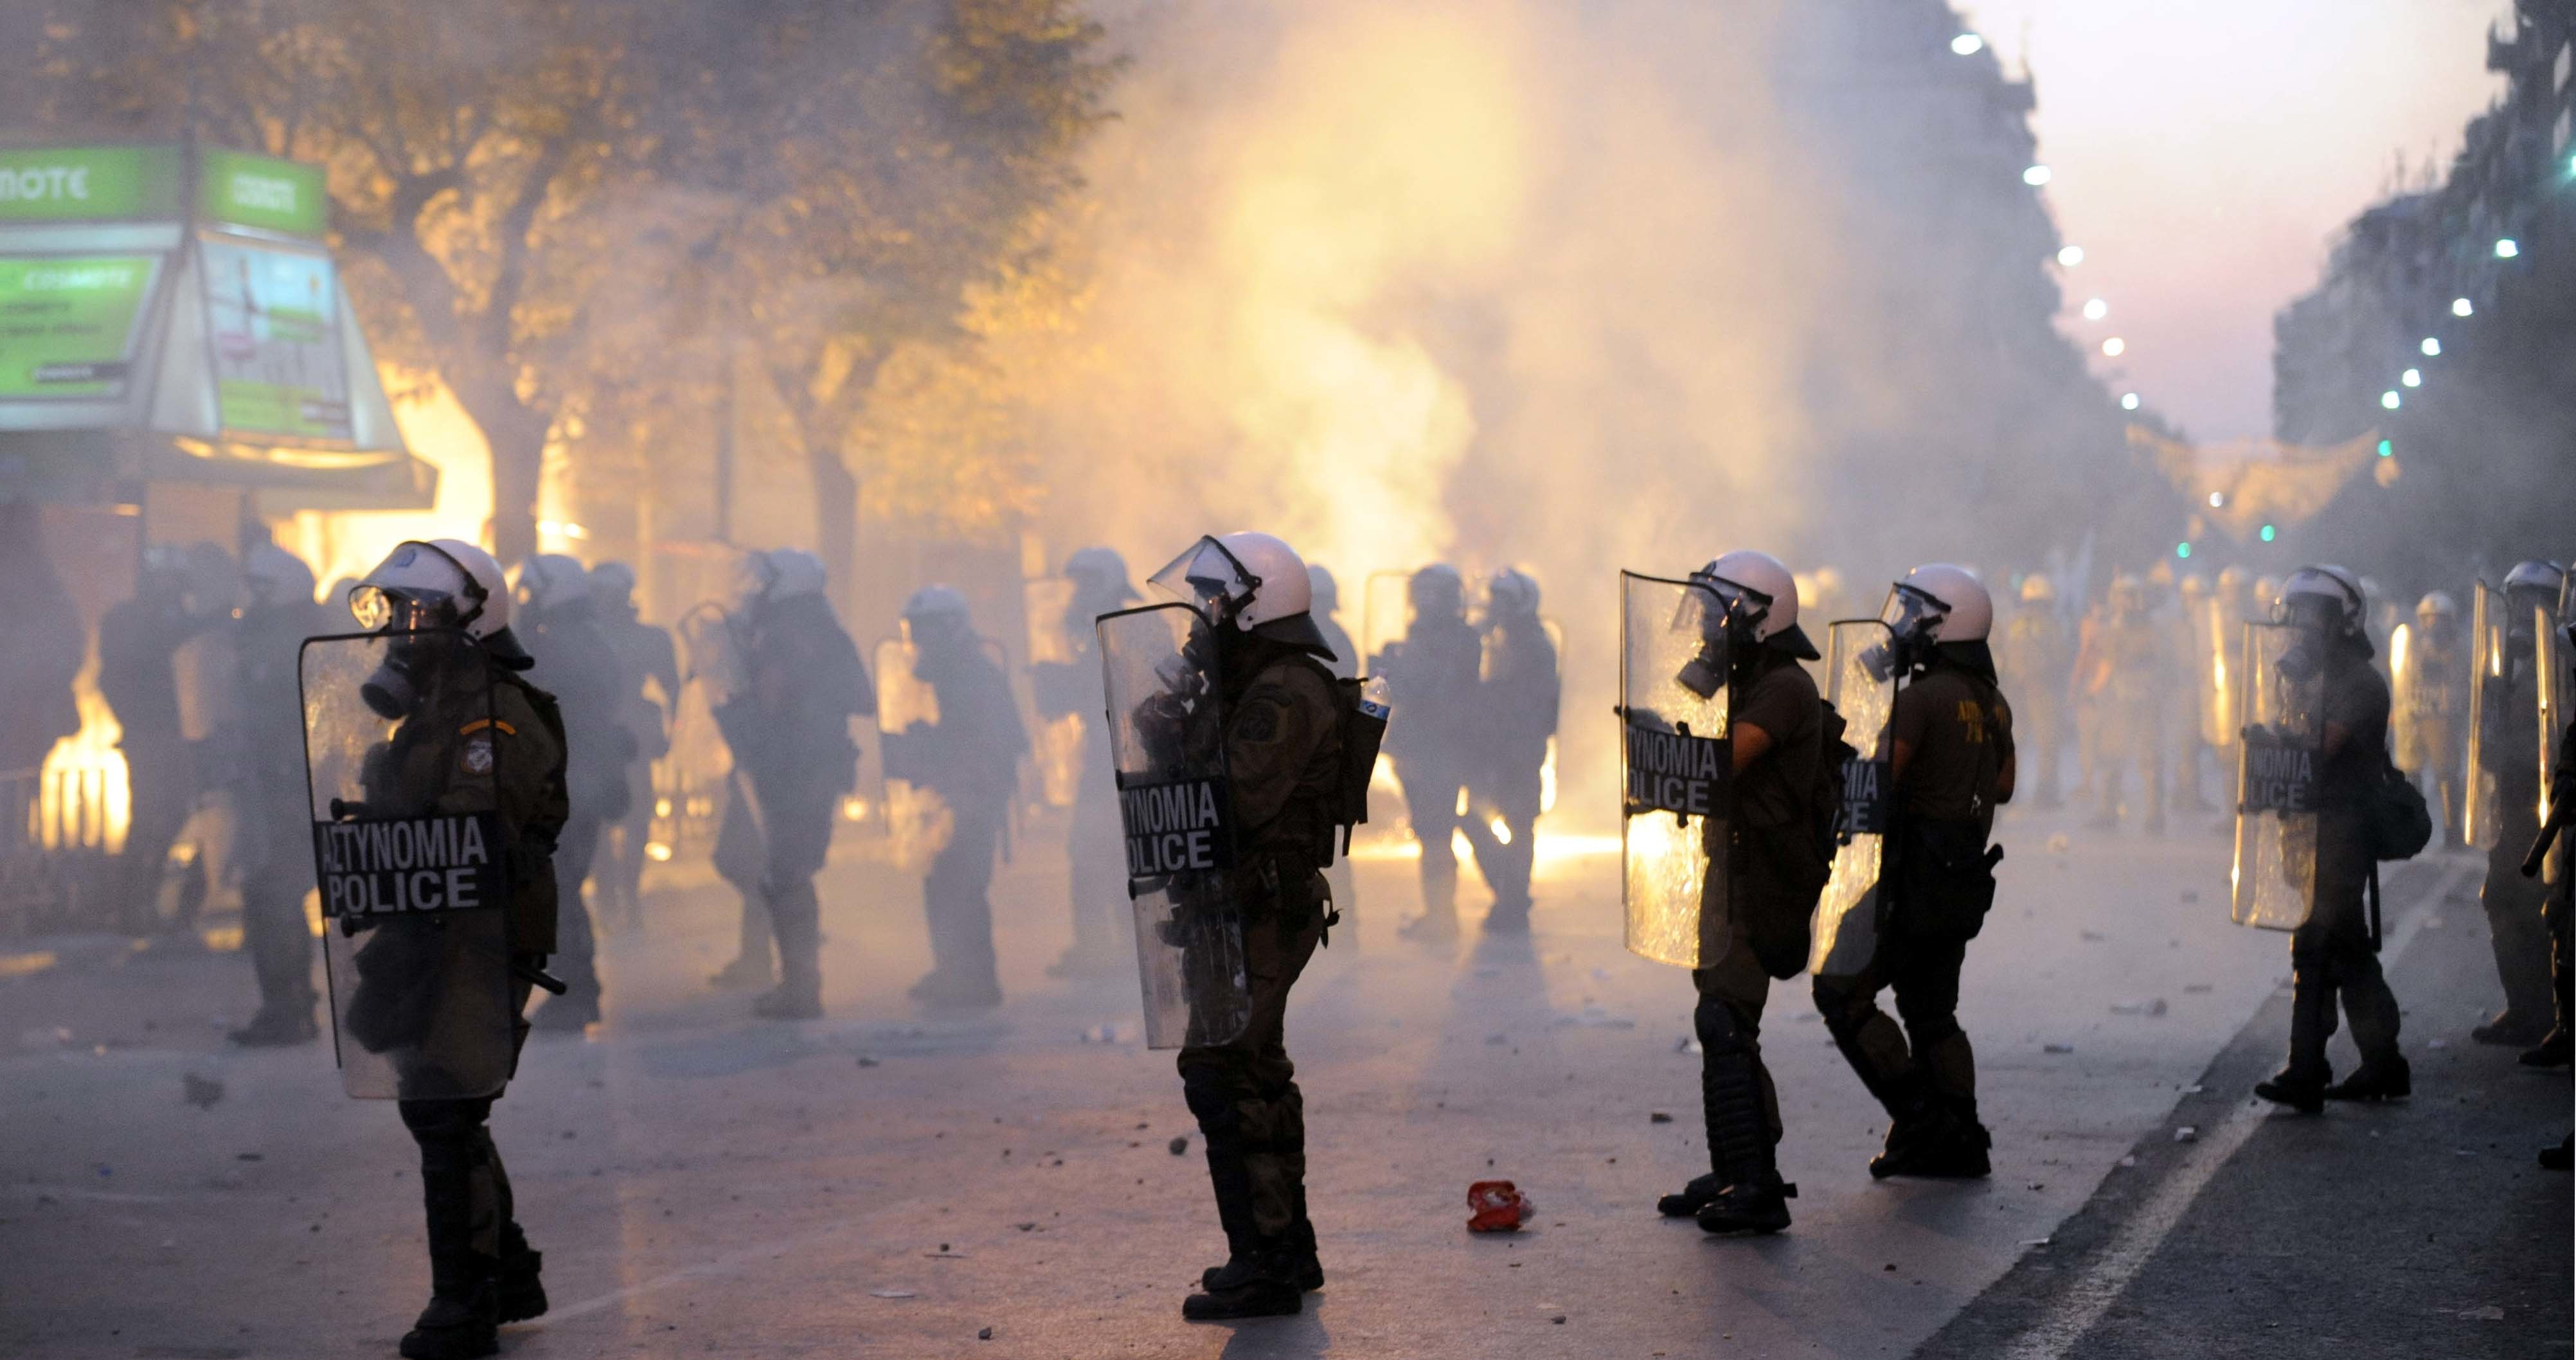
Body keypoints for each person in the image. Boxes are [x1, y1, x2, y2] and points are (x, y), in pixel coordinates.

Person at [335, 537, 568, 1360]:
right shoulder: (435, 709)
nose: (403, 630)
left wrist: (402, 834)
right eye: (395, 614)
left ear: (472, 619)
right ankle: (505, 1272)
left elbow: (475, 829)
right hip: (426, 928)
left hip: (479, 933)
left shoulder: (493, 713)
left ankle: (463, 1305)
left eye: (419, 613)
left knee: (445, 1104)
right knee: (443, 1100)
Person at [1132, 532, 1349, 1319]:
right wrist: (1171, 710)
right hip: (1233, 904)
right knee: (1252, 1069)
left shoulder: (1286, 691)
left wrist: (1194, 723)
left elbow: (1237, 799)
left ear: (1257, 605)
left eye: (1214, 600)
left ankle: (1264, 1264)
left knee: (1223, 1071)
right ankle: (1287, 1247)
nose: (1203, 615)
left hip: (1263, 903)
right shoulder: (1245, 682)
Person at [1649, 550, 1827, 1235]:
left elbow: (1728, 760)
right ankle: (1734, 1165)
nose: (1702, 625)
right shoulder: (1749, 679)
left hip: (1766, 881)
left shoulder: (1783, 686)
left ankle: (1756, 1185)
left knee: (1725, 1021)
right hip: (1735, 871)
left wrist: (1667, 744)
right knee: (1721, 1016)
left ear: (1754, 614)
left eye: (1712, 611)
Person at [1815, 564, 2013, 1177]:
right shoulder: (1990, 700)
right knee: (1932, 1010)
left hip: (1905, 877)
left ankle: (1924, 1125)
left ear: (1943, 628)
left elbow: (1879, 777)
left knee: (1841, 991)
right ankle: (1962, 1134)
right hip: (1959, 878)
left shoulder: (1923, 699)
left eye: (1913, 617)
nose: (1900, 627)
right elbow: (2003, 786)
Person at [2251, 566, 2408, 1111]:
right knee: (2347, 949)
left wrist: (2282, 740)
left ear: (2342, 623)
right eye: (2296, 616)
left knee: (2317, 948)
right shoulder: (2311, 679)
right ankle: (2383, 1062)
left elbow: (2323, 746)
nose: (2302, 628)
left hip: (2342, 831)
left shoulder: (2360, 684)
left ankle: (2307, 1070)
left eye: (2313, 617)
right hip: (2307, 828)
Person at [707, 548, 871, 1019]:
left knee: (788, 873)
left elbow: (849, 698)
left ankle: (801, 988)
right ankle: (787, 977)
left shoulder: (794, 634)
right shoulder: (813, 630)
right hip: (792, 766)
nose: (754, 591)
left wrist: (781, 707)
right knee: (768, 868)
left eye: (764, 582)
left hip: (798, 771)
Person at [882, 586, 1026, 1009]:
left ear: (948, 626)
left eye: (924, 631)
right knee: (945, 880)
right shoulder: (956, 670)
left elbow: (985, 740)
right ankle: (953, 971)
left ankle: (976, 982)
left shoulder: (968, 673)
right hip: (961, 790)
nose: (917, 642)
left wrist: (926, 746)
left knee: (961, 883)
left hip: (974, 793)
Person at [512, 556, 632, 1033]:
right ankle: (578, 990)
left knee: (556, 889)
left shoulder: (559, 646)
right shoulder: (586, 637)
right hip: (574, 782)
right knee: (560, 888)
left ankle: (576, 992)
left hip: (567, 785)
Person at [226, 545, 331, 1046]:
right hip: (277, 787)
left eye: (260, 587)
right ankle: (290, 1007)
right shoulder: (281, 634)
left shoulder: (291, 640)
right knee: (272, 896)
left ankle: (288, 1010)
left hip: (291, 789)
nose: (251, 597)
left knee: (274, 896)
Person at [97, 546, 223, 929]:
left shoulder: (172, 621)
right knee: (153, 820)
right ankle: (134, 907)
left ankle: (149, 906)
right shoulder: (138, 622)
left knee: (174, 817)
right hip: (154, 739)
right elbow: (120, 679)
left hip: (176, 737)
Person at [2471, 561, 2565, 1048]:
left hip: (2549, 805)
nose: (2525, 612)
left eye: (2535, 601)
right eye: (2518, 601)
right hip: (2511, 802)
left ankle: (2550, 1014)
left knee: (2542, 908)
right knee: (2502, 898)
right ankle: (2526, 1007)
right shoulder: (2504, 664)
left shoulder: (2565, 662)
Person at [1033, 547, 1139, 978]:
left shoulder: (1126, 631)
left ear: (1108, 584)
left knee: (1104, 855)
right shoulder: (1101, 632)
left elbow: (1114, 689)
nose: (1078, 594)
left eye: (1087, 583)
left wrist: (1060, 681)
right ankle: (1109, 952)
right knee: (1102, 855)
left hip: (1125, 765)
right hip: (1105, 764)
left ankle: (1114, 953)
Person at [1373, 565, 1484, 940]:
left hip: (1439, 750)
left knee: (1435, 833)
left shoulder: (1454, 640)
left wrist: (1394, 670)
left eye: (1428, 594)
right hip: (1427, 748)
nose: (1422, 601)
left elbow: (1426, 690)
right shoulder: (1444, 637)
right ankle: (1438, 914)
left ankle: (1441, 919)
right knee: (1432, 833)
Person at [1459, 568, 1557, 932]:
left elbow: (1522, 704)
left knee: (1517, 826)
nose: (1495, 606)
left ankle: (1512, 899)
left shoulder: (1533, 645)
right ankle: (1511, 893)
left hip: (1517, 754)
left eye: (1503, 600)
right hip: (1495, 753)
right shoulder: (1502, 641)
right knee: (1477, 820)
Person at [587, 562, 678, 929]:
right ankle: (616, 897)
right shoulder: (591, 637)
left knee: (630, 820)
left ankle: (624, 896)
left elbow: (673, 688)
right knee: (608, 824)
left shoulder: (592, 638)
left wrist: (669, 730)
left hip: (616, 741)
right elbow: (673, 689)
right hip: (608, 740)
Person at [2075, 573, 2169, 833]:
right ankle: (2128, 812)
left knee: (2134, 756)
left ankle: (2139, 813)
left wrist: (2091, 691)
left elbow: (2113, 661)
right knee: (2126, 756)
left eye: (2123, 596)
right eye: (2119, 596)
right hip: (2133, 697)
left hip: (2134, 699)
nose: (2120, 601)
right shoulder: (2134, 624)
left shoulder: (2134, 626)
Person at [0, 502, 84, 778]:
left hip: (28, 710)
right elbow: (67, 642)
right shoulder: (43, 582)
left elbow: (63, 641)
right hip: (30, 710)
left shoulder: (39, 582)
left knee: (19, 785)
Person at [1307, 565, 1361, 928]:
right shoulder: (1333, 637)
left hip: (1322, 758)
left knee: (1324, 847)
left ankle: (1338, 926)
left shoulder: (1323, 640)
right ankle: (1342, 927)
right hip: (1329, 756)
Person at [2396, 591, 2467, 848]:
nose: (2433, 625)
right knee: (2412, 772)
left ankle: (2452, 832)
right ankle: (2413, 829)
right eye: (2428, 619)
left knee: (2447, 773)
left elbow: (2462, 683)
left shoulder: (2459, 649)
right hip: (2414, 715)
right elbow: (2402, 679)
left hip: (2442, 718)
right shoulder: (2410, 647)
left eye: (2439, 619)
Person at [1998, 573, 2069, 807]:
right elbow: (2061, 657)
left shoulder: (2011, 622)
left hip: (2013, 691)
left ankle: (2012, 792)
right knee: (2047, 743)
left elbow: (2000, 655)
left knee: (2015, 742)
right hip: (2042, 691)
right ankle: (2045, 795)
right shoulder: (2051, 624)